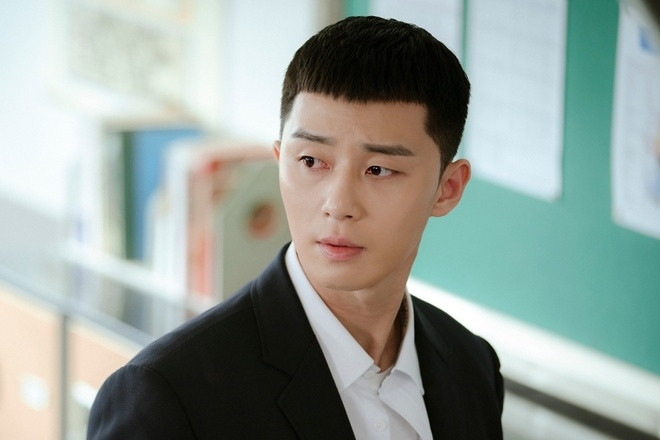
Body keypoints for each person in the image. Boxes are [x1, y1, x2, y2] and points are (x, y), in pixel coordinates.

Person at [87, 15, 504, 439]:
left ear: (447, 189)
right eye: (311, 161)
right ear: (279, 160)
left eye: (378, 169)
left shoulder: (472, 367)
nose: (338, 206)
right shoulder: (168, 395)